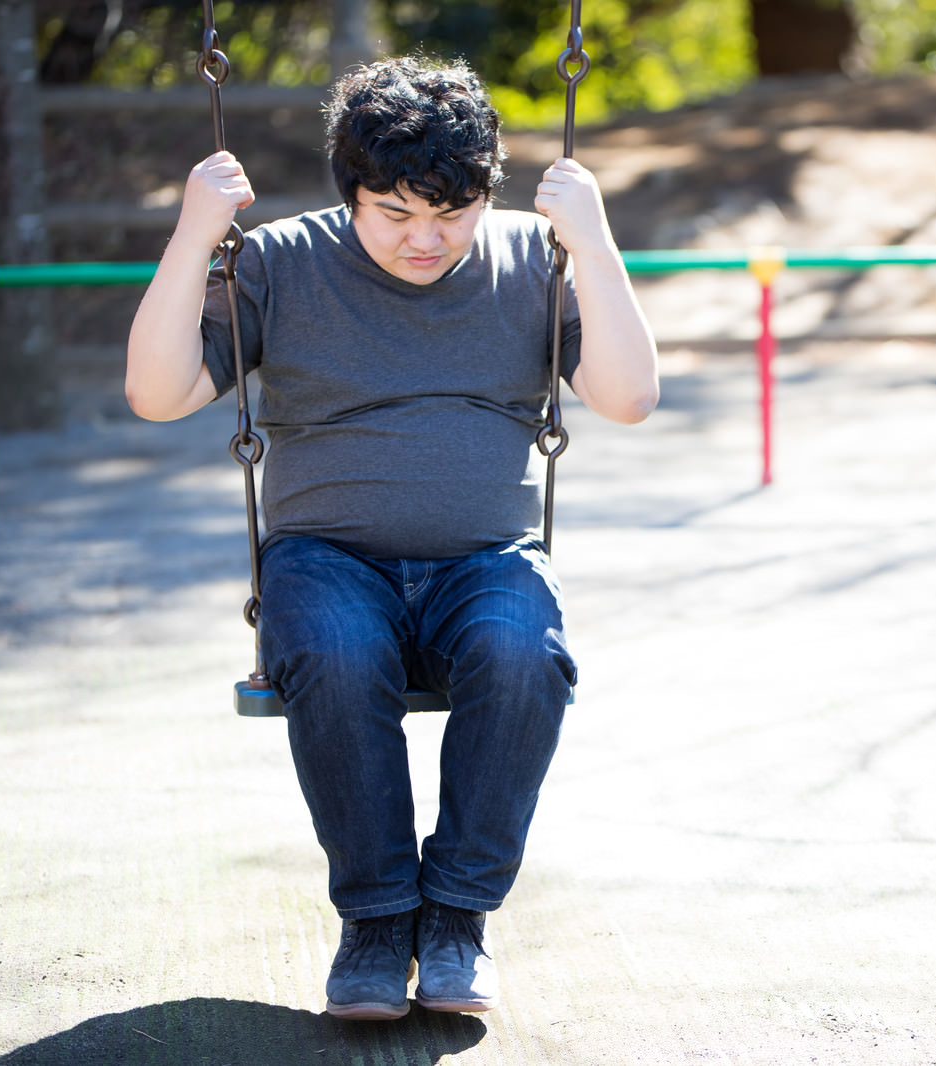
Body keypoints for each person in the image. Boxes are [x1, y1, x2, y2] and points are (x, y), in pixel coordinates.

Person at [125, 56, 658, 1021]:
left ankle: (455, 918)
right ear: (351, 195)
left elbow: (628, 398)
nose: (426, 240)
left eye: (450, 215)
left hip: (485, 556)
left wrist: (595, 241)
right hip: (326, 557)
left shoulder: (532, 257)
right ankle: (376, 922)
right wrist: (195, 232)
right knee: (332, 650)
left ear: (485, 195)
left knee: (522, 653)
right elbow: (158, 395)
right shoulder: (281, 259)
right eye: (395, 214)